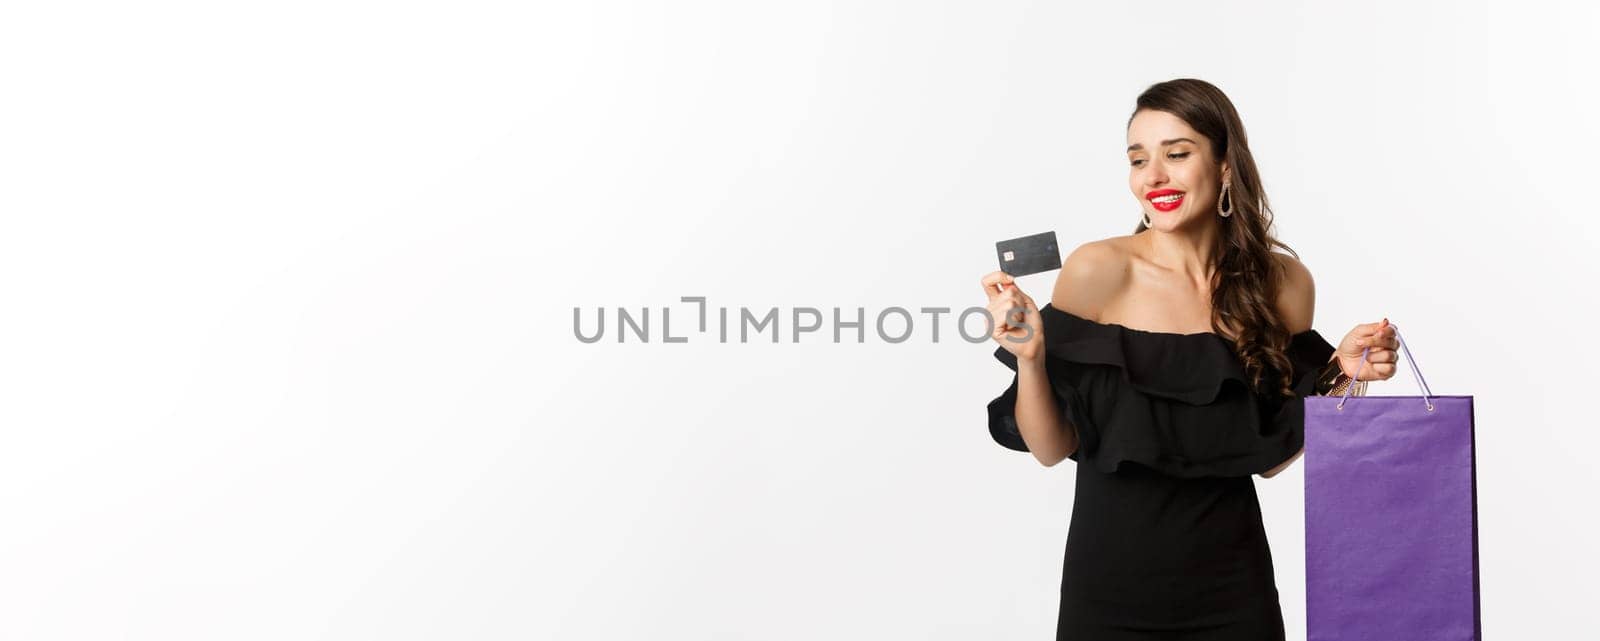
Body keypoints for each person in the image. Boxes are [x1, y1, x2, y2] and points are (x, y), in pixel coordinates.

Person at [979, 78, 1402, 641]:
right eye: (1138, 159)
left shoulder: (1283, 284)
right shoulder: (1097, 270)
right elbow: (1052, 449)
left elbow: (1270, 456)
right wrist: (1030, 358)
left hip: (1234, 587)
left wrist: (1342, 376)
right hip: (1109, 589)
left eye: (1176, 154)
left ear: (1226, 165)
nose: (1153, 176)